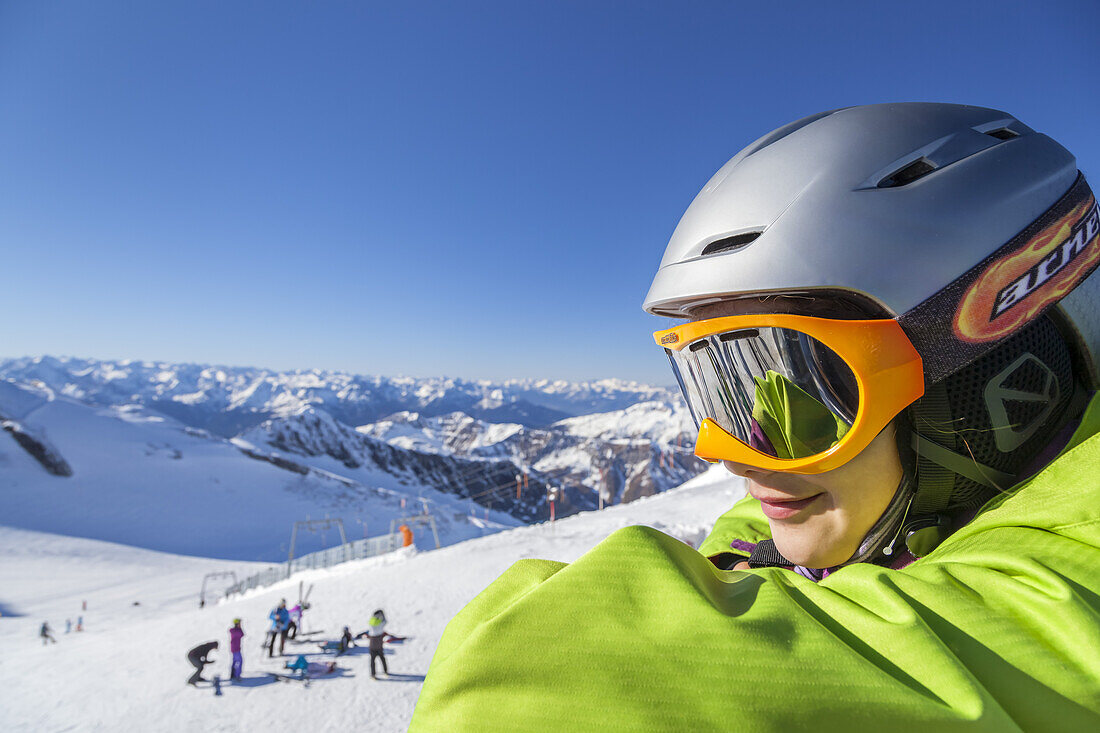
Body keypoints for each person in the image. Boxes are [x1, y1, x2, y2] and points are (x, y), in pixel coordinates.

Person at [410, 103, 1100, 730]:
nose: (732, 451)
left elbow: (531, 681)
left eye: (813, 383)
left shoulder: (1072, 586)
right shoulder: (906, 506)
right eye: (722, 384)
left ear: (1002, 379)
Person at [361, 609, 389, 679]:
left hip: (372, 646)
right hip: (379, 646)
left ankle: (373, 674)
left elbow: (372, 619)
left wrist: (375, 615)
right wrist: (382, 615)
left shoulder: (371, 625)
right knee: (382, 659)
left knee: (372, 661)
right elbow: (385, 621)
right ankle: (385, 671)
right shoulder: (381, 625)